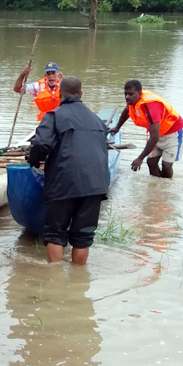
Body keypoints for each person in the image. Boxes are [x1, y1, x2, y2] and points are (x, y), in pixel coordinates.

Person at [28, 76, 109, 265]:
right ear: (81, 94)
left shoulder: (54, 116)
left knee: (55, 233)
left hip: (64, 182)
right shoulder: (97, 120)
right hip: (96, 184)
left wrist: (33, 161)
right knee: (83, 236)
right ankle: (78, 276)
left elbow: (41, 144)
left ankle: (54, 276)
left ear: (59, 93)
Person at [108, 80, 183, 178]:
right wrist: (117, 127)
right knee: (151, 162)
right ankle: (157, 185)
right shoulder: (133, 101)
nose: (127, 97)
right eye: (125, 94)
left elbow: (154, 137)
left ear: (140, 93)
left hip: (172, 132)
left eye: (131, 94)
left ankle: (167, 183)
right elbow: (127, 110)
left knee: (166, 165)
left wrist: (140, 158)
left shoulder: (151, 107)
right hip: (157, 132)